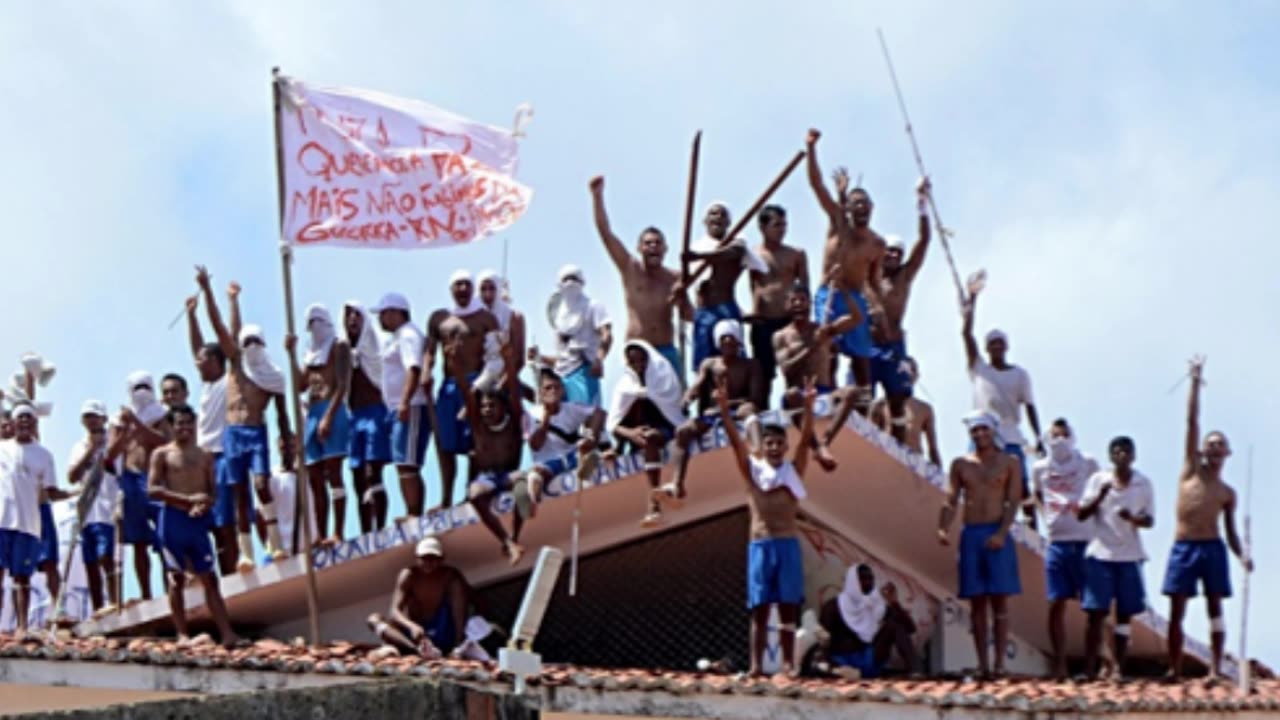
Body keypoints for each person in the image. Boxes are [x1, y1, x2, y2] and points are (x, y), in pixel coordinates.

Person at [1162, 357, 1253, 682]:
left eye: (1220, 446)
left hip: (1212, 548)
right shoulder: (1190, 471)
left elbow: (1230, 531)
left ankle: (1214, 668)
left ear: (1226, 453)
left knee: (1215, 607)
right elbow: (1192, 421)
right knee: (1177, 608)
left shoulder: (1227, 492)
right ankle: (1174, 668)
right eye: (1210, 445)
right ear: (1202, 451)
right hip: (1184, 546)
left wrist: (1242, 555)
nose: (1214, 449)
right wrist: (1195, 383)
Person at [719, 374, 815, 678]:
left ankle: (788, 664)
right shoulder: (754, 472)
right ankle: (757, 666)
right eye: (769, 443)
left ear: (785, 446)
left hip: (787, 543)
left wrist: (809, 408)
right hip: (760, 544)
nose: (774, 448)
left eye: (779, 443)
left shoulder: (793, 472)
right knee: (760, 610)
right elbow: (736, 446)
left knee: (787, 608)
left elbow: (807, 442)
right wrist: (723, 411)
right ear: (764, 446)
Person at [197, 266, 292, 567]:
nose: (250, 347)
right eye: (246, 342)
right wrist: (218, 295)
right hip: (233, 434)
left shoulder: (273, 376)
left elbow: (282, 414)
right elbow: (222, 328)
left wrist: (287, 442)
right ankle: (246, 554)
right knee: (239, 492)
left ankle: (276, 544)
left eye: (256, 342)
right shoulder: (236, 365)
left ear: (263, 345)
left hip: (257, 433)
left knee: (262, 484)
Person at [806, 129, 886, 418]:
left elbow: (874, 282)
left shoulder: (877, 243)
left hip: (855, 299)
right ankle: (825, 400)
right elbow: (816, 185)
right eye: (855, 204)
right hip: (830, 294)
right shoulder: (838, 223)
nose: (860, 208)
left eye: (865, 204)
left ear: (872, 208)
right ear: (848, 208)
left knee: (862, 358)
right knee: (827, 348)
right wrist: (811, 149)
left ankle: (865, 409)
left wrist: (878, 311)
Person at [937, 411, 1022, 678]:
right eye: (975, 430)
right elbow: (951, 498)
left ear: (993, 430)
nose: (980, 435)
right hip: (971, 533)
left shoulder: (1009, 462)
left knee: (1000, 601)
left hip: (996, 532)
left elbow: (1013, 501)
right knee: (977, 602)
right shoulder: (961, 464)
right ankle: (982, 664)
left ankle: (1000, 664)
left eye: (984, 429)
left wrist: (1002, 532)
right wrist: (943, 526)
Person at [147, 404, 238, 648]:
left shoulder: (205, 454)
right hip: (173, 521)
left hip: (196, 523)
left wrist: (203, 505)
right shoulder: (162, 454)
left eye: (189, 423)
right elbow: (153, 490)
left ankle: (227, 633)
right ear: (171, 425)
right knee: (175, 578)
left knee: (210, 577)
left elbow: (212, 491)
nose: (185, 428)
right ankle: (182, 634)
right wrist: (187, 501)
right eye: (180, 423)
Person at [961, 280, 1044, 528]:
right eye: (991, 344)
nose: (996, 347)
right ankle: (975, 520)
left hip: (1010, 433)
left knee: (1021, 484)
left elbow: (1029, 405)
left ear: (1006, 347)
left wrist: (1038, 438)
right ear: (987, 349)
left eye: (1000, 343)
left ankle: (1032, 528)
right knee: (974, 475)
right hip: (982, 430)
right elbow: (966, 333)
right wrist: (972, 300)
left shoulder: (1019, 374)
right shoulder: (979, 369)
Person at [589, 175, 691, 375]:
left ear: (665, 249)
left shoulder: (676, 277)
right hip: (637, 351)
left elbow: (690, 316)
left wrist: (682, 299)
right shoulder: (629, 268)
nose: (653, 246)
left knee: (675, 403)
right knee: (634, 403)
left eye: (657, 243)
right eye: (648, 243)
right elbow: (605, 234)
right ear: (639, 248)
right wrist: (597, 197)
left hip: (666, 350)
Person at [1077, 435, 1153, 680]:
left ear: (1133, 456)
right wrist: (1100, 496)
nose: (1121, 455)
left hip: (1129, 555)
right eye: (1117, 451)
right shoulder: (1098, 480)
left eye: (1126, 451)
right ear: (1110, 456)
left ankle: (1119, 668)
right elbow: (1081, 514)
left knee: (1124, 614)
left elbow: (1150, 520)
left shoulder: (1143, 484)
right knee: (1095, 613)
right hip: (1100, 553)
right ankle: (1090, 669)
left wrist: (1133, 519)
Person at [1030, 418, 1101, 679]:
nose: (1059, 440)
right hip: (1057, 543)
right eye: (1054, 435)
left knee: (1094, 606)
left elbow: (1101, 493)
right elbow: (1036, 494)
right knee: (1056, 602)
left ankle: (1095, 665)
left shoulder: (1088, 462)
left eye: (1063, 435)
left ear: (1072, 436)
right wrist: (1044, 515)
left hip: (1086, 542)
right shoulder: (1040, 468)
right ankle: (1060, 665)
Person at [667, 319, 764, 505]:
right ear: (718, 343)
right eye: (723, 340)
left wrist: (727, 403)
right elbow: (698, 384)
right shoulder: (709, 364)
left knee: (750, 411)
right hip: (715, 413)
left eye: (731, 340)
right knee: (683, 431)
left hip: (738, 408)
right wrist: (688, 397)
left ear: (739, 342)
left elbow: (755, 398)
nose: (728, 344)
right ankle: (677, 482)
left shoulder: (751, 365)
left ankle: (759, 455)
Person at [425, 271, 499, 509]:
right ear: (451, 289)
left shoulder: (485, 319)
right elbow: (429, 350)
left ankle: (470, 493)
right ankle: (446, 497)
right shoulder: (439, 318)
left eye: (467, 285)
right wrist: (427, 370)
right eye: (459, 285)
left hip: (475, 383)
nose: (463, 289)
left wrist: (483, 386)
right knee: (444, 443)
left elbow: (494, 355)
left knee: (474, 441)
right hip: (448, 386)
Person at [867, 179, 932, 445]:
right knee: (864, 394)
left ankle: (900, 440)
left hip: (894, 344)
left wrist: (922, 204)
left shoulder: (905, 276)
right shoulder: (869, 275)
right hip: (870, 343)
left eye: (897, 252)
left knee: (899, 395)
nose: (893, 256)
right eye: (889, 251)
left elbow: (924, 241)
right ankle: (868, 437)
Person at [450, 340, 527, 564]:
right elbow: (466, 391)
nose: (486, 410)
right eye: (483, 406)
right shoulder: (478, 425)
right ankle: (506, 541)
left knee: (523, 485)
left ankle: (515, 537)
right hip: (487, 477)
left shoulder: (513, 420)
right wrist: (455, 363)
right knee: (474, 495)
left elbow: (513, 387)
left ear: (502, 407)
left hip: (508, 474)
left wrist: (509, 360)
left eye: (491, 406)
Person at [285, 304, 352, 547]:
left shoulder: (339, 346)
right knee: (314, 476)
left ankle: (338, 531)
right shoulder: (310, 351)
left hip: (331, 409)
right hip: (312, 412)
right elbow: (300, 385)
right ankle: (320, 534)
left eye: (318, 321)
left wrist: (329, 417)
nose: (315, 327)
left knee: (334, 473)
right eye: (310, 323)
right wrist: (291, 355)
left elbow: (342, 384)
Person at [772, 281, 857, 471]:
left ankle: (825, 442)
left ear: (809, 304)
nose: (798, 304)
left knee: (850, 392)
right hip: (799, 395)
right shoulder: (780, 336)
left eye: (802, 300)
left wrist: (845, 292)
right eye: (793, 300)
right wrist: (813, 346)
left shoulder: (822, 329)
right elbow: (786, 369)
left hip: (824, 390)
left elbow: (855, 318)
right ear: (787, 305)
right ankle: (816, 447)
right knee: (791, 395)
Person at [606, 341, 687, 528]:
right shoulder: (625, 384)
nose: (638, 365)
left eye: (641, 360)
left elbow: (672, 407)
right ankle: (618, 450)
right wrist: (631, 433)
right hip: (636, 433)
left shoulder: (663, 376)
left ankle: (654, 504)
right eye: (633, 362)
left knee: (650, 438)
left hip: (664, 428)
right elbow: (614, 423)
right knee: (642, 430)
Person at [105, 371, 170, 602]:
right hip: (130, 480)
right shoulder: (118, 420)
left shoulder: (161, 414)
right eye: (136, 387)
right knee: (139, 543)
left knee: (166, 538)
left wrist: (137, 423)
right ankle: (145, 594)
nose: (141, 391)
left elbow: (164, 441)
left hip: (155, 480)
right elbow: (110, 456)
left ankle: (171, 590)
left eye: (145, 386)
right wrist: (124, 432)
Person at [184, 295, 236, 575]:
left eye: (203, 360)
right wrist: (191, 315)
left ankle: (233, 569)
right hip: (201, 463)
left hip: (222, 457)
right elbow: (197, 346)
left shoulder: (229, 382)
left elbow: (225, 336)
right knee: (209, 524)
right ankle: (216, 573)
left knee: (226, 520)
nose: (198, 363)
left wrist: (212, 293)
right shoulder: (205, 388)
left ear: (217, 361)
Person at [685, 201, 768, 370]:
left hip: (725, 308)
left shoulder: (736, 240)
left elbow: (732, 253)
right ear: (705, 221)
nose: (718, 218)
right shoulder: (696, 246)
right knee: (704, 362)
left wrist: (701, 257)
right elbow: (686, 281)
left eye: (723, 214)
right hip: (703, 311)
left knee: (733, 358)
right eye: (713, 214)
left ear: (729, 222)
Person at [0, 404, 57, 634]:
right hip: (2, 521)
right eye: (20, 418)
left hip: (28, 525)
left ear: (35, 423)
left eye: (28, 418)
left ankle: (22, 627)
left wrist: (79, 493)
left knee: (22, 578)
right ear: (12, 423)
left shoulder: (44, 455)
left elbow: (51, 491)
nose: (24, 422)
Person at [372, 292, 429, 518]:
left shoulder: (408, 334)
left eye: (384, 313)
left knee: (408, 464)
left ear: (396, 312)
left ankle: (414, 513)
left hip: (410, 405)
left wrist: (405, 401)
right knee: (402, 463)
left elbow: (413, 368)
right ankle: (412, 511)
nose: (381, 319)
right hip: (396, 407)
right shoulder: (396, 337)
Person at [366, 536, 472, 658]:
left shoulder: (450, 577)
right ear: (417, 558)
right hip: (415, 636)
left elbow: (459, 611)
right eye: (424, 558)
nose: (428, 563)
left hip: (441, 631)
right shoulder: (408, 575)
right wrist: (411, 626)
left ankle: (445, 649)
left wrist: (458, 643)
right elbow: (394, 612)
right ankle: (416, 651)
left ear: (441, 559)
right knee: (374, 619)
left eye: (433, 558)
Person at [522, 368, 604, 517]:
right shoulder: (531, 415)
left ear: (562, 390)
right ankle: (534, 504)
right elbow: (535, 444)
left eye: (556, 387)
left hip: (573, 455)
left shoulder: (572, 408)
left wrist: (591, 436)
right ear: (540, 393)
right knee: (535, 474)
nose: (553, 391)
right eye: (548, 388)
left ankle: (586, 481)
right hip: (549, 462)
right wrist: (547, 415)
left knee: (591, 454)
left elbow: (599, 413)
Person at [749, 204, 808, 406]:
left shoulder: (795, 254)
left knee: (794, 369)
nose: (782, 229)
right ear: (763, 227)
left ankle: (795, 412)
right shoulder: (752, 254)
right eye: (776, 225)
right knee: (763, 372)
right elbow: (748, 283)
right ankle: (764, 416)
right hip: (763, 321)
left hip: (788, 320)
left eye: (784, 224)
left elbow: (804, 287)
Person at [531, 265, 613, 408]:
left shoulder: (593, 306)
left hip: (585, 370)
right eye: (566, 279)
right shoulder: (559, 317)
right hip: (560, 377)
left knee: (587, 415)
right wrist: (539, 356)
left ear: (582, 282)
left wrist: (599, 359)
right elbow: (562, 356)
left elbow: (607, 335)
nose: (570, 283)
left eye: (574, 278)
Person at [68, 400, 121, 614]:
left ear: (104, 419)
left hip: (106, 510)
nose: (92, 420)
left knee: (105, 557)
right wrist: (90, 450)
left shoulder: (113, 444)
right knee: (89, 562)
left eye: (95, 416)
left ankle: (115, 602)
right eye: (88, 416)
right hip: (86, 512)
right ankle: (98, 607)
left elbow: (117, 471)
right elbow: (72, 476)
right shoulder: (78, 447)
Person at [819, 564, 918, 678]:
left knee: (894, 626)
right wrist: (831, 668)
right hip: (843, 664)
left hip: (869, 659)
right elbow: (823, 642)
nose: (868, 583)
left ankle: (914, 672)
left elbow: (910, 628)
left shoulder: (874, 604)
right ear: (852, 581)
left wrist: (894, 603)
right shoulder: (833, 606)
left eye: (870, 578)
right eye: (863, 579)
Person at [343, 300, 389, 533]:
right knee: (357, 475)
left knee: (373, 471)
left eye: (356, 315)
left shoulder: (374, 346)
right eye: (348, 315)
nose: (351, 319)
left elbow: (384, 376)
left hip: (375, 412)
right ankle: (365, 531)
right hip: (354, 417)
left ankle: (379, 527)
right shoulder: (343, 351)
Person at [869, 357, 942, 467]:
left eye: (912, 370)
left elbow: (933, 448)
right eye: (904, 370)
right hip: (887, 460)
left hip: (914, 465)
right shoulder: (879, 405)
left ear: (917, 376)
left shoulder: (925, 409)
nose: (908, 374)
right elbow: (870, 438)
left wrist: (939, 478)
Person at [268, 434, 318, 556]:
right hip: (285, 549)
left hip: (312, 545)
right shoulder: (272, 477)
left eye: (292, 446)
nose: (288, 451)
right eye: (284, 448)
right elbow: (262, 515)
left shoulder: (308, 473)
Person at [477, 269, 526, 382]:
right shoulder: (474, 319)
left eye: (492, 288)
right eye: (483, 289)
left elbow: (519, 359)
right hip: (478, 376)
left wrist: (501, 384)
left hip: (506, 376)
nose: (487, 294)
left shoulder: (514, 317)